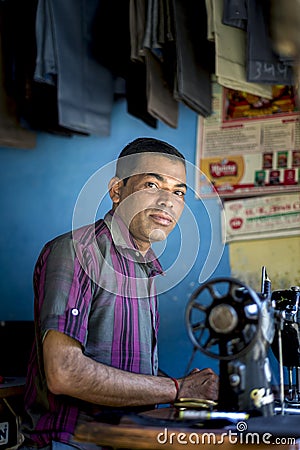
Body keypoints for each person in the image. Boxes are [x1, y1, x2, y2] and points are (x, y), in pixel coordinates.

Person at [20, 137, 218, 449]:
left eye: (179, 192)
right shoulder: (77, 252)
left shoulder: (146, 268)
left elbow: (123, 366)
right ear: (117, 191)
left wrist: (188, 387)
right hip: (72, 441)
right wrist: (176, 388)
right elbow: (64, 373)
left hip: (127, 439)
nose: (168, 200)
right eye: (153, 184)